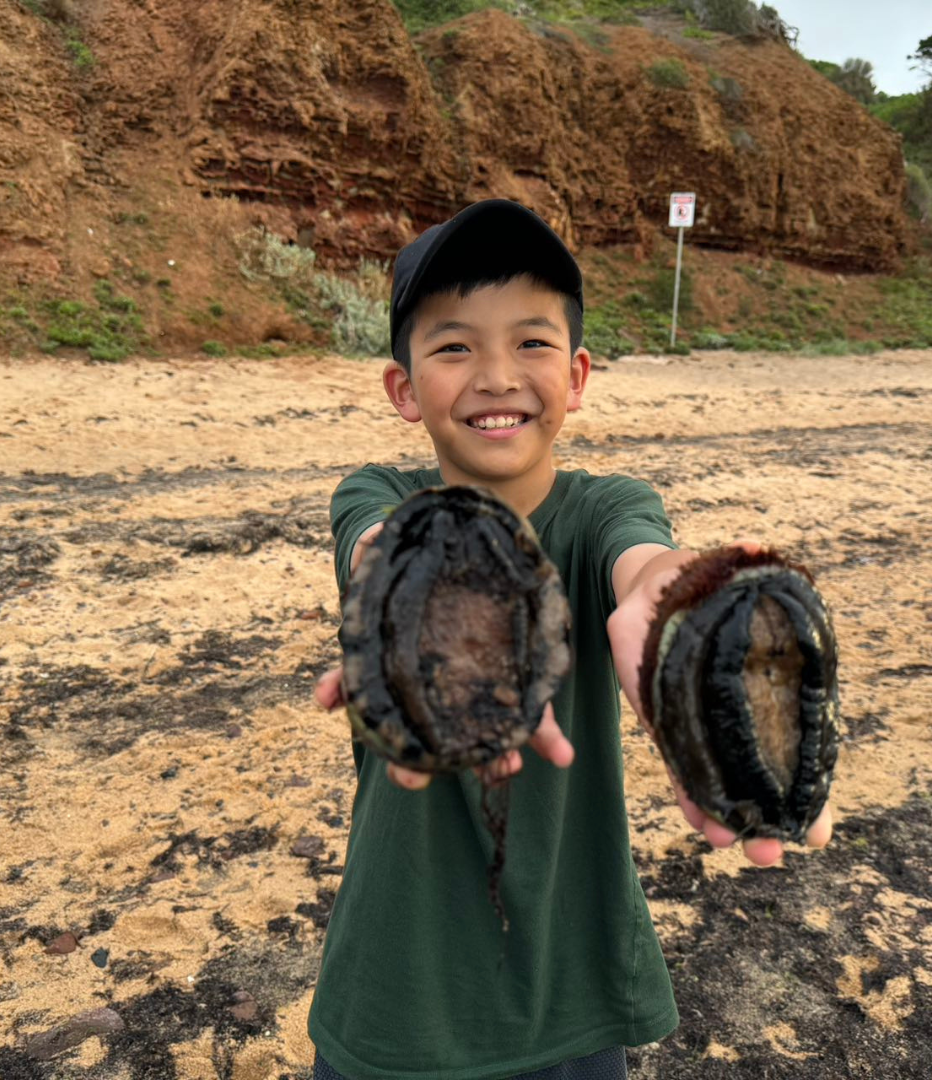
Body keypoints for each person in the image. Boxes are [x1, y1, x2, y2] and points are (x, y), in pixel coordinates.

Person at [308, 199, 832, 1079]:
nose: (496, 374)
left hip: (573, 982)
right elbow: (377, 546)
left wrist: (678, 603)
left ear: (579, 376)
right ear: (403, 389)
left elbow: (645, 561)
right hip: (397, 986)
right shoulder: (378, 496)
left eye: (531, 342)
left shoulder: (601, 512)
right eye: (452, 346)